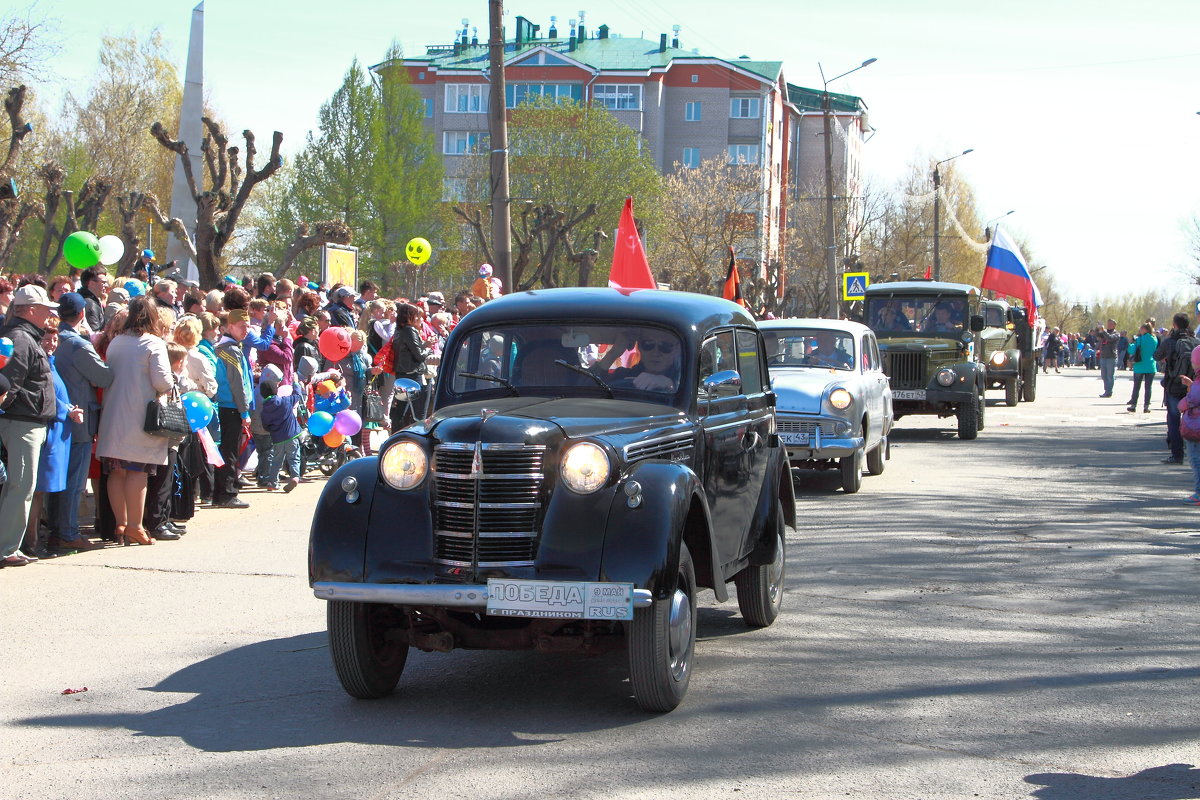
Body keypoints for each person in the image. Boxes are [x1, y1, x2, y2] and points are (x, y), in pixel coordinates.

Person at [96, 296, 173, 546]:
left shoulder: (116, 342)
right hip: (139, 414)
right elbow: (163, 381)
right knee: (137, 470)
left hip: (113, 413)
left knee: (116, 471)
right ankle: (135, 526)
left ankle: (121, 522)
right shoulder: (153, 343)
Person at [0, 285, 59, 566]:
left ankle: (9, 545)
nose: (49, 312)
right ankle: (6, 548)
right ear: (32, 310)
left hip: (25, 421)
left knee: (19, 486)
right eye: (45, 308)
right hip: (20, 422)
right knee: (20, 486)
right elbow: (7, 385)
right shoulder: (21, 338)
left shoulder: (23, 337)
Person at [49, 293, 112, 551]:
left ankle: (57, 530)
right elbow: (104, 377)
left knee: (57, 479)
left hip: (57, 416)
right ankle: (67, 532)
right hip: (78, 420)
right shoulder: (77, 344)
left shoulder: (55, 338)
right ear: (82, 314)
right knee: (74, 481)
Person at [26, 325, 86, 557]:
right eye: (47, 339)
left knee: (43, 491)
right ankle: (30, 543)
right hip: (50, 432)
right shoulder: (42, 364)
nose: (51, 343)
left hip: (59, 433)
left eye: (54, 339)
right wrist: (68, 410)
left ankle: (35, 540)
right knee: (37, 491)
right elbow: (46, 394)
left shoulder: (51, 362)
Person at [213, 310, 253, 508]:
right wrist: (244, 412)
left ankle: (221, 491)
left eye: (247, 326)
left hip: (229, 405)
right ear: (229, 327)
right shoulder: (230, 350)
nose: (245, 330)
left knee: (227, 450)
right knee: (229, 451)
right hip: (230, 407)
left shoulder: (230, 347)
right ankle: (227, 493)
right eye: (241, 326)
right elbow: (237, 384)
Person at [1154, 312, 1200, 465]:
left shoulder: (1169, 341)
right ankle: (1194, 451)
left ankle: (1177, 455)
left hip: (1174, 384)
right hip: (1193, 386)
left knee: (1174, 420)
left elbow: (1156, 356)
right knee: (1195, 417)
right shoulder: (1195, 341)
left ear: (1174, 325)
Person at [594, 330, 680, 392]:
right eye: (648, 344)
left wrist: (671, 385)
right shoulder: (622, 375)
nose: (655, 352)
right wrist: (613, 353)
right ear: (639, 347)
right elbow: (585, 387)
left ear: (677, 349)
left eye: (665, 346)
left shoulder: (685, 380)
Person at [1127, 323, 1157, 413]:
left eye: (1141, 329)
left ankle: (1133, 405)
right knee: (1148, 387)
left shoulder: (1139, 339)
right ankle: (1146, 406)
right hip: (1150, 365)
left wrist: (1131, 343)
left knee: (1136, 387)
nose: (1140, 330)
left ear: (1145, 329)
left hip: (1139, 365)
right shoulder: (1154, 339)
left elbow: (1131, 350)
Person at [1096, 319, 1119, 397]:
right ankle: (1106, 390)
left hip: (1111, 357)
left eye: (1110, 324)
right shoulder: (1104, 332)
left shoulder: (1116, 334)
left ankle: (1109, 391)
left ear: (1114, 325)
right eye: (1108, 323)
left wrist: (1103, 331)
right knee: (1103, 375)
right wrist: (1098, 328)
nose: (1108, 325)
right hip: (1103, 356)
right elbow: (1098, 335)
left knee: (1110, 375)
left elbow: (1109, 338)